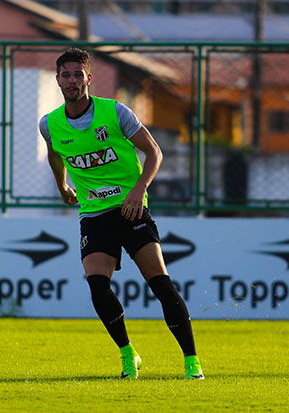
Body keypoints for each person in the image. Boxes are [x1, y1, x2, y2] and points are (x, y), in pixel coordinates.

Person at [39, 48, 204, 380]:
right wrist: (62, 187)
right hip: (94, 214)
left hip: (131, 209)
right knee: (97, 286)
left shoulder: (115, 112)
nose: (71, 80)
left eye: (77, 74)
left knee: (160, 283)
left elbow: (154, 152)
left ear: (89, 78)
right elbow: (55, 155)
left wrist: (139, 188)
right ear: (58, 80)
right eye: (66, 75)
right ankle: (129, 355)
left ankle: (191, 362)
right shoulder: (50, 124)